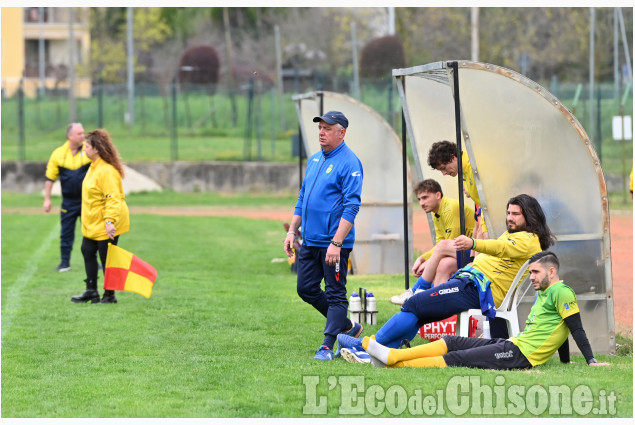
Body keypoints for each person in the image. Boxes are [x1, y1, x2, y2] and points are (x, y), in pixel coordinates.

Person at [338, 194, 555, 363]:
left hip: (476, 289)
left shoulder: (529, 239)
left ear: (530, 216)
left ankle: (366, 346)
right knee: (419, 313)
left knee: (414, 302)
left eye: (515, 214)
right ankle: (378, 351)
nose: (509, 217)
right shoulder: (517, 235)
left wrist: (474, 244)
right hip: (471, 283)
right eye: (508, 212)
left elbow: (500, 247)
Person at [349, 251, 610, 370]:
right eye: (530, 272)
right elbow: (561, 330)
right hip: (513, 344)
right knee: (452, 341)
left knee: (460, 358)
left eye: (535, 272)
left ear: (552, 272)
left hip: (520, 355)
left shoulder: (562, 292)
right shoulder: (546, 292)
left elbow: (575, 328)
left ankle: (395, 361)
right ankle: (392, 355)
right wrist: (564, 362)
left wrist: (591, 361)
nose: (530, 277)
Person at [283, 110, 364, 361]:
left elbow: (352, 207)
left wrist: (336, 243)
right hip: (309, 240)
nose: (321, 132)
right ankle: (348, 327)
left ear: (342, 133)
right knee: (305, 288)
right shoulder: (315, 160)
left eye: (328, 128)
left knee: (335, 293)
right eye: (320, 127)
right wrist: (292, 231)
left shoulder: (350, 163)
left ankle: (328, 345)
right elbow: (302, 198)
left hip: (334, 243)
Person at [390, 179, 476, 305]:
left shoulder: (450, 208)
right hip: (460, 253)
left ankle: (417, 290)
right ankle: (434, 305)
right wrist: (422, 258)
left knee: (442, 251)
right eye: (419, 199)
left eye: (425, 197)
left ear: (438, 195)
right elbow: (441, 244)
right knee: (444, 264)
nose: (421, 203)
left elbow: (450, 243)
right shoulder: (437, 212)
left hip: (477, 253)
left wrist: (428, 262)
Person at [71, 129, 130, 304]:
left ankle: (110, 295)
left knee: (106, 259)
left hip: (106, 223)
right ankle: (91, 291)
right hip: (93, 223)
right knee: (87, 251)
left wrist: (110, 221)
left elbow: (113, 198)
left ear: (96, 149)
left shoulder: (107, 171)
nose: (84, 149)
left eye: (87, 146)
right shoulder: (94, 167)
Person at [43, 123, 92, 272]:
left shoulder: (89, 151)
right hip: (69, 202)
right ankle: (65, 263)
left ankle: (93, 263)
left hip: (87, 201)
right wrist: (47, 199)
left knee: (91, 233)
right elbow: (50, 178)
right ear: (70, 136)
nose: (83, 136)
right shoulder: (58, 154)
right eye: (79, 133)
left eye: (83, 133)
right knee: (66, 233)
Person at [427, 140, 488, 240]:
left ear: (452, 157)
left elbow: (488, 202)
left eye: (444, 168)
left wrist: (484, 230)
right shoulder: (463, 171)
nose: (444, 173)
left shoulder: (473, 167)